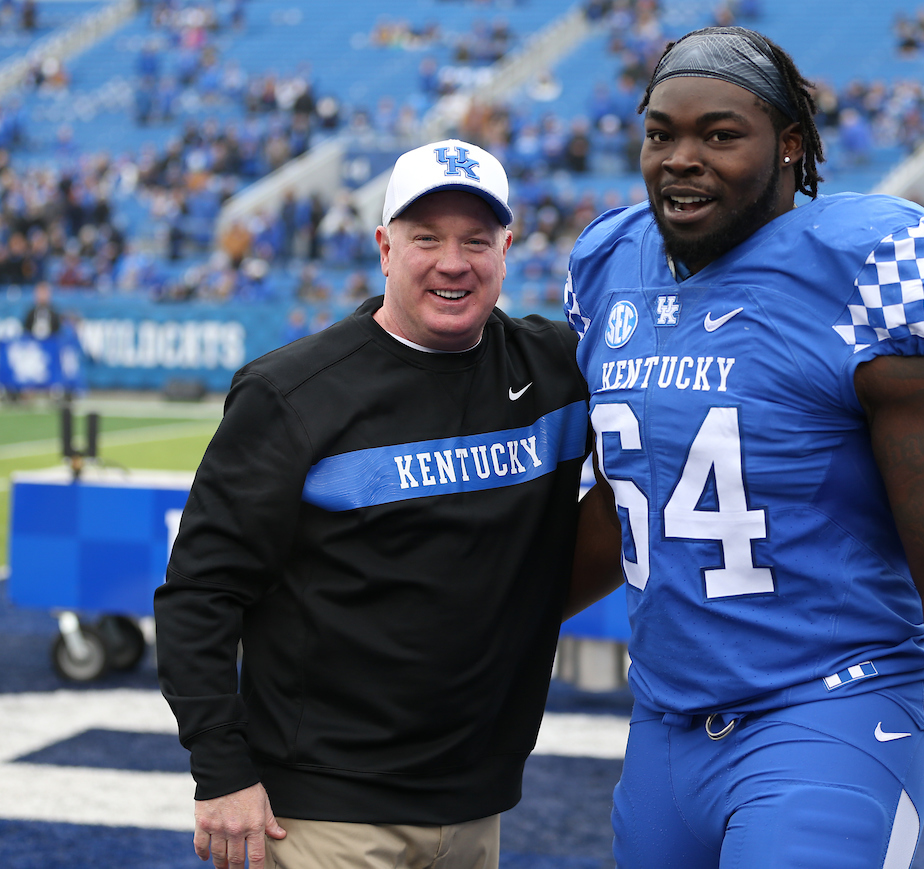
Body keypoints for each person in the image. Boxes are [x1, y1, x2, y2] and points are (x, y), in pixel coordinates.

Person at [563, 26, 924, 869]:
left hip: (831, 711)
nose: (681, 158)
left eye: (720, 134)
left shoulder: (868, 274)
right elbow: (632, 505)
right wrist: (464, 623)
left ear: (791, 147)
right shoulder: (608, 264)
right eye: (661, 132)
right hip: (663, 725)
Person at [155, 138, 596, 869]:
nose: (452, 261)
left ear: (507, 248)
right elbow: (201, 591)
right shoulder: (292, 393)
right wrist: (222, 770)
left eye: (475, 239)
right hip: (324, 814)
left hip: (476, 804)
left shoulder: (556, 369)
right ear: (384, 247)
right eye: (427, 237)